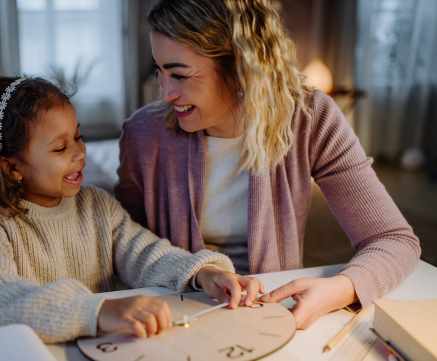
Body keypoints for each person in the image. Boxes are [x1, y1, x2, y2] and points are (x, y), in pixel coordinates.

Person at [115, 0, 421, 329]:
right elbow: (125, 243)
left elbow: (393, 240)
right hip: (176, 314)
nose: (165, 93)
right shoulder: (142, 134)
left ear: (241, 67)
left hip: (273, 313)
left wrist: (338, 289)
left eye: (178, 75)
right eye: (158, 72)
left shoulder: (311, 118)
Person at [0, 76, 264, 344]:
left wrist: (202, 272)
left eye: (79, 137)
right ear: (11, 167)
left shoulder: (95, 205)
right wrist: (97, 310)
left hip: (106, 352)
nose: (80, 153)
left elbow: (146, 254)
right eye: (60, 147)